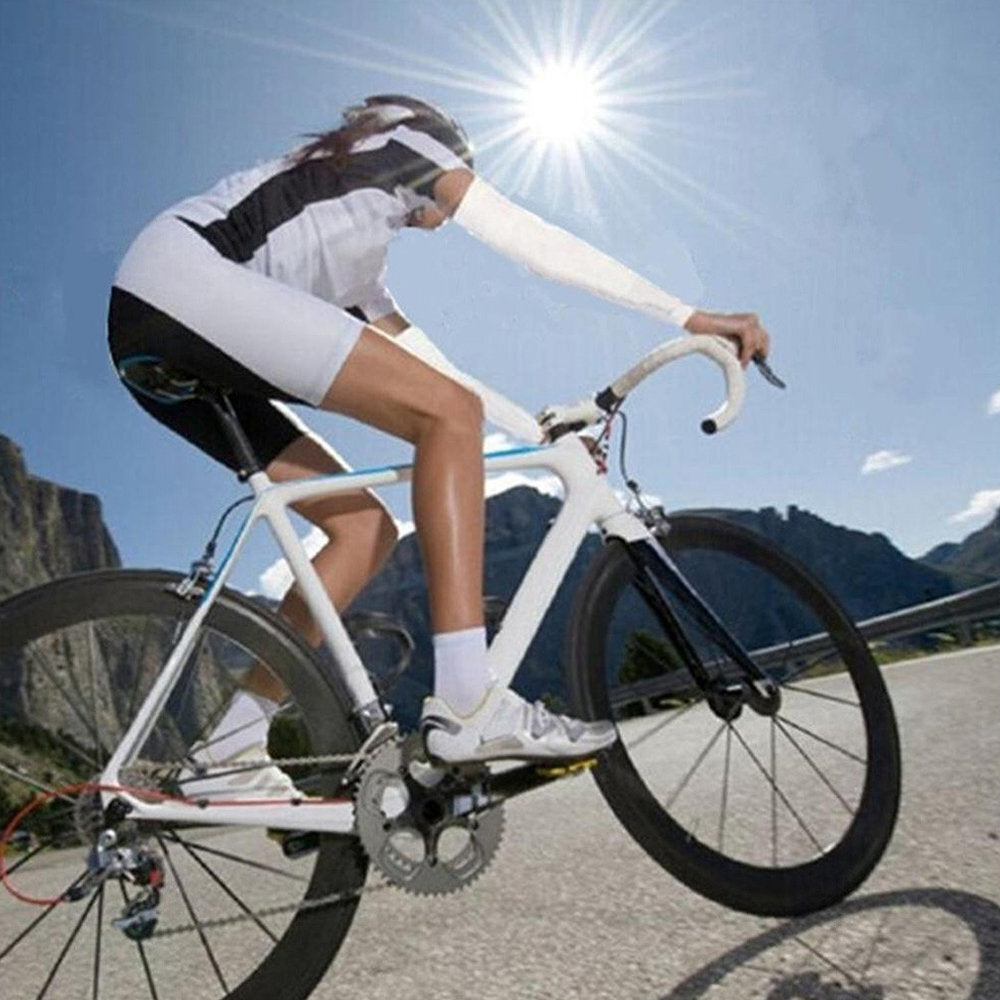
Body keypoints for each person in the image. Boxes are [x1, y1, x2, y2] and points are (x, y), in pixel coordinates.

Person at [107, 94, 770, 795]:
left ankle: (227, 751)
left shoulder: (358, 276)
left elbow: (445, 382)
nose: (451, 206)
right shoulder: (403, 145)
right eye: (461, 175)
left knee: (364, 530)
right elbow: (528, 241)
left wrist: (537, 431)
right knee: (447, 419)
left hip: (157, 337)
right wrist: (688, 315)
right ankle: (466, 702)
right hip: (182, 282)